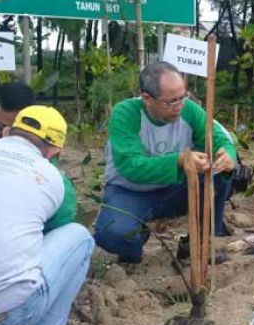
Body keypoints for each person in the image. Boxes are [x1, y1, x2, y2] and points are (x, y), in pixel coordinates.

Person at [0, 106, 94, 325]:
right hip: (2, 319)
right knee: (78, 237)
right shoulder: (50, 175)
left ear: (6, 131)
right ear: (54, 150)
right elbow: (57, 227)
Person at [93, 61, 237, 263]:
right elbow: (131, 166)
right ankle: (133, 248)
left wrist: (227, 154)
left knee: (218, 175)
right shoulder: (126, 114)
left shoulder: (188, 110)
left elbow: (217, 138)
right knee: (111, 234)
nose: (179, 106)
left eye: (182, 97)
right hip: (130, 191)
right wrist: (179, 161)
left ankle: (198, 245)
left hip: (173, 190)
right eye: (170, 102)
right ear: (147, 98)